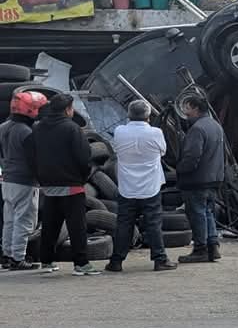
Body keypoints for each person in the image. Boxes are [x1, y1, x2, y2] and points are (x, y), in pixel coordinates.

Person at [27, 94, 99, 275]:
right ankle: (81, 264)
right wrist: (83, 177)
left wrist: (41, 177)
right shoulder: (72, 128)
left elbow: (30, 155)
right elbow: (84, 157)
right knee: (77, 227)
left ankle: (46, 261)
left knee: (50, 225)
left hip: (48, 186)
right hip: (72, 185)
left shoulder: (38, 128)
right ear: (68, 109)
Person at [106, 101, 177, 273]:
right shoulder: (156, 133)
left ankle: (116, 261)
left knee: (124, 224)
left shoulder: (120, 131)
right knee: (153, 224)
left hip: (127, 187)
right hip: (150, 187)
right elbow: (163, 152)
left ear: (129, 114)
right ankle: (160, 259)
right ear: (148, 116)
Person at [0, 91, 47, 270]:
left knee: (10, 220)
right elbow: (34, 160)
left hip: (8, 179)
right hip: (25, 181)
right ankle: (18, 258)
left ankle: (7, 255)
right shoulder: (26, 132)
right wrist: (43, 179)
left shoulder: (4, 127)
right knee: (24, 221)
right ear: (31, 110)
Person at [177, 96, 226, 264]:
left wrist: (180, 170)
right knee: (207, 212)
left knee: (197, 213)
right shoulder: (216, 126)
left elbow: (192, 156)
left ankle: (200, 249)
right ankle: (213, 247)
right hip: (214, 179)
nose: (185, 112)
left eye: (187, 108)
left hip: (197, 180)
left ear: (195, 108)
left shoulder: (197, 129)